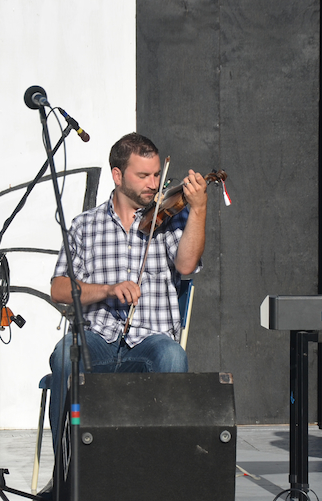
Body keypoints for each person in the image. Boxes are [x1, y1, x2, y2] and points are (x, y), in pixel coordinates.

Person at [47, 132, 207, 446]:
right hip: (97, 339)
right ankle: (67, 467)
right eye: (143, 176)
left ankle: (163, 466)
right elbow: (59, 289)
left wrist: (198, 210)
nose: (154, 183)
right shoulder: (85, 225)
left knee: (173, 357)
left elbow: (187, 266)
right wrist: (108, 290)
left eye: (157, 175)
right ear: (118, 176)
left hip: (151, 339)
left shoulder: (171, 219)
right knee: (66, 354)